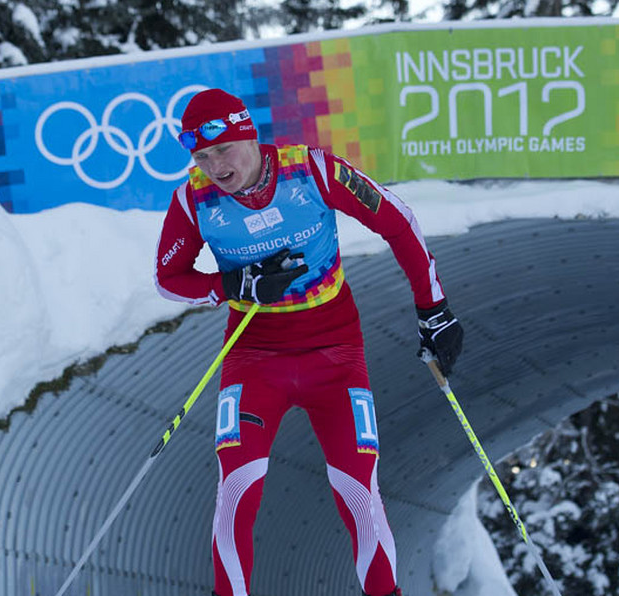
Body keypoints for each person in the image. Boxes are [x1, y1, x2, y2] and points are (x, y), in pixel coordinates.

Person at [153, 88, 463, 596]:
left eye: (223, 149)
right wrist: (231, 286)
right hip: (253, 361)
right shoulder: (194, 198)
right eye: (202, 157)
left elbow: (397, 221)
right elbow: (168, 278)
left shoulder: (313, 171)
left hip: (336, 356)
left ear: (248, 135)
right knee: (235, 489)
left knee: (359, 492)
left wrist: (434, 309)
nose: (215, 167)